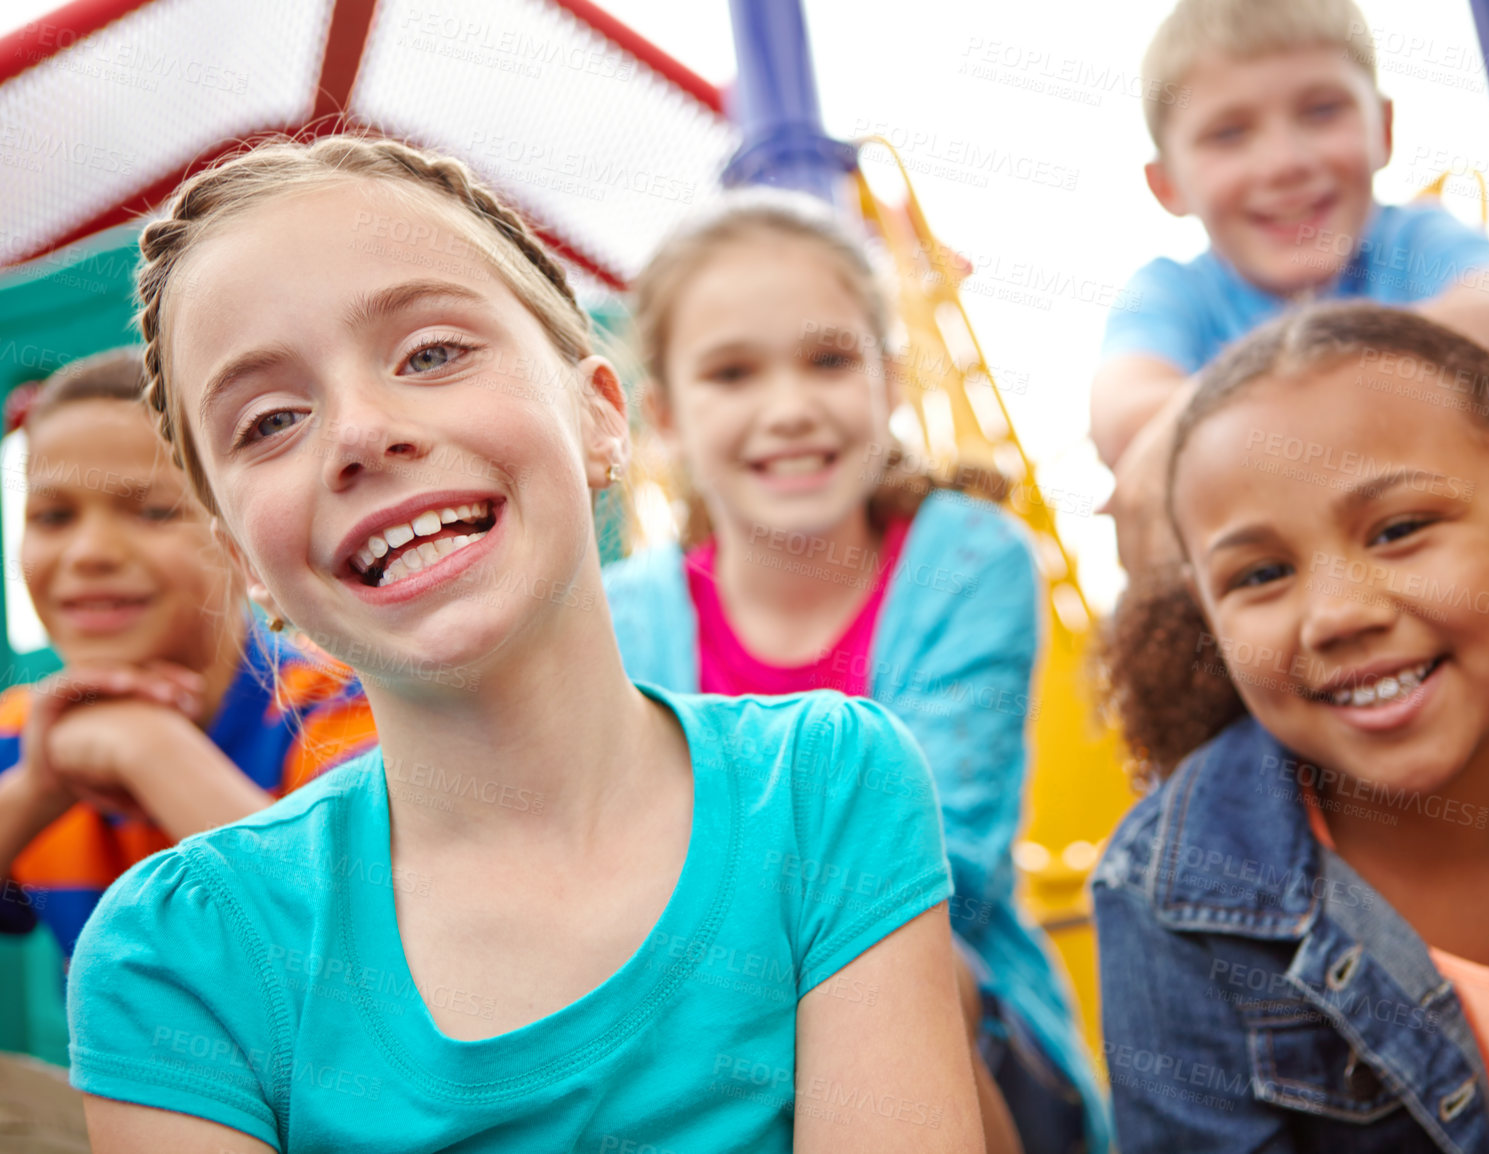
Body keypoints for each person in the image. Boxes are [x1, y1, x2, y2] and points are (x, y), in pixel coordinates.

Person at [67, 135, 986, 1154]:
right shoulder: (178, 955)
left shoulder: (824, 787)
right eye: (272, 419)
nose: (361, 431)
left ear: (601, 415)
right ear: (242, 557)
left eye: (431, 353)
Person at [1092, 302, 1489, 1151]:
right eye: (1261, 574)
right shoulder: (1167, 905)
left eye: (1399, 530)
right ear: (1205, 615)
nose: (1339, 614)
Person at [605, 192, 1109, 1154]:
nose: (789, 408)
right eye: (733, 373)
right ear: (665, 412)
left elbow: (937, 854)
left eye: (828, 360)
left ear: (889, 378)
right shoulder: (628, 616)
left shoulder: (968, 563)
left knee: (893, 960)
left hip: (954, 1004)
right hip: (691, 1014)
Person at [1092, 0, 1489, 573]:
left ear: (1384, 129)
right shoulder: (1171, 293)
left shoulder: (1414, 239)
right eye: (1228, 134)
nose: (1284, 162)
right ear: (1167, 184)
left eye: (1322, 111)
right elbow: (1124, 420)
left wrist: (1216, 420)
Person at [0, 347, 375, 962]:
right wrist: (37, 788)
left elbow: (346, 948)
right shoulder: (23, 733)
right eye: (53, 515)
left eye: (153, 511)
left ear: (242, 536)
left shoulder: (338, 711)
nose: (89, 552)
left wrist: (150, 752)